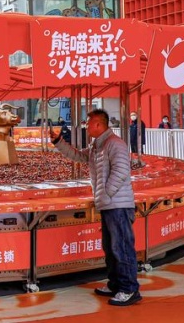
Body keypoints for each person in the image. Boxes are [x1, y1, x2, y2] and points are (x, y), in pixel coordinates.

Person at [50, 109, 140, 306]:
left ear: (99, 124)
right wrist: (58, 142)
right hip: (108, 204)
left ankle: (129, 289)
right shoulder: (96, 146)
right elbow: (79, 156)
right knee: (111, 247)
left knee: (122, 247)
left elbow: (121, 171)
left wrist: (106, 193)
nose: (86, 126)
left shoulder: (115, 144)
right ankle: (115, 284)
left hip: (117, 205)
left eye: (89, 123)